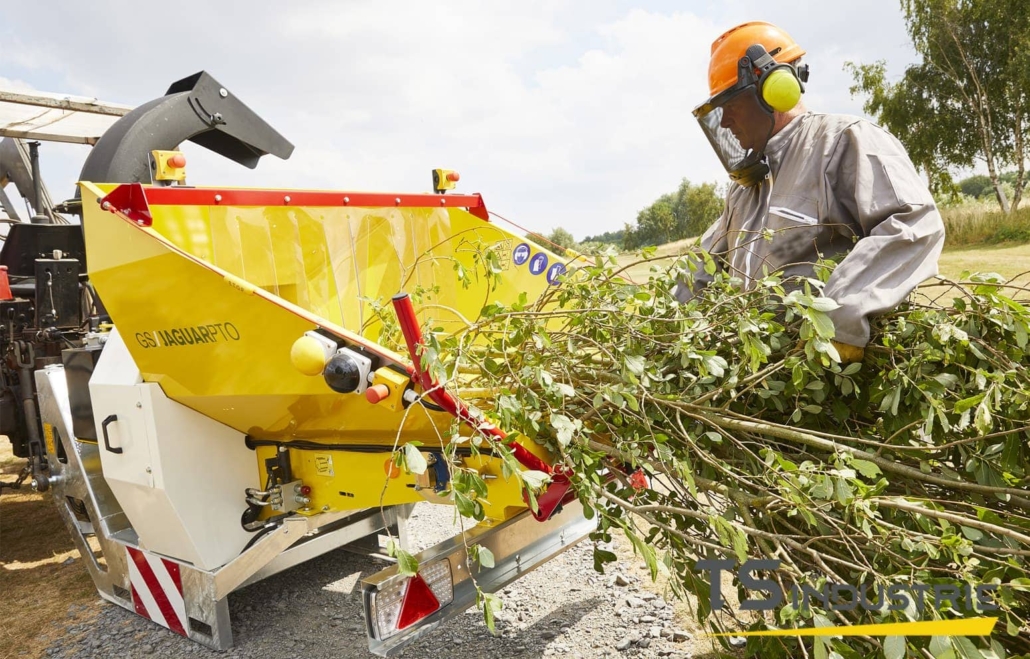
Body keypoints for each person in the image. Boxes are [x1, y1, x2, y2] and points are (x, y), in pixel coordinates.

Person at [673, 21, 945, 363]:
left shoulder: (843, 142)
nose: (724, 122)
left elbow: (913, 223)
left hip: (826, 378)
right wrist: (665, 330)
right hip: (758, 376)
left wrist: (836, 325)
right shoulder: (745, 188)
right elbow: (703, 267)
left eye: (730, 105)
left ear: (772, 89)